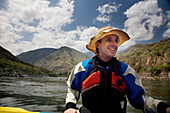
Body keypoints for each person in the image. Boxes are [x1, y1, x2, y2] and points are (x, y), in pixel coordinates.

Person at [64, 26, 170, 113]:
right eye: (109, 40)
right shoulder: (83, 68)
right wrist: (70, 107)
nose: (114, 44)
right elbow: (73, 90)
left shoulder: (125, 70)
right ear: (97, 44)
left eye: (116, 41)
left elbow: (141, 100)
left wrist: (163, 108)